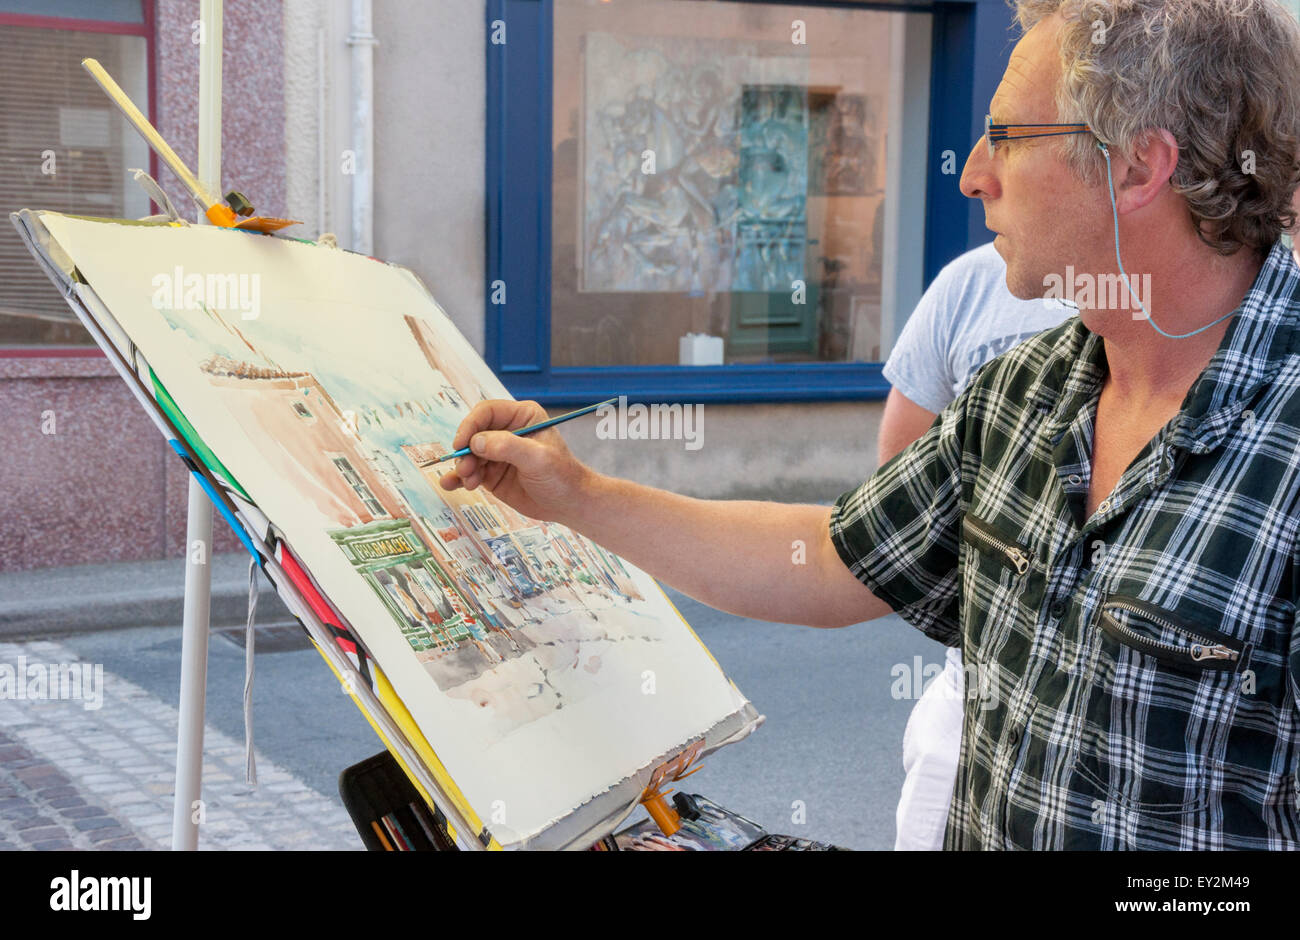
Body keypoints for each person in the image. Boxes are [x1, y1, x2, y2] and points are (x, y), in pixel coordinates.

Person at [442, 0, 1300, 849]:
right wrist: (576, 495)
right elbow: (826, 559)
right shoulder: (1023, 393)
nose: (972, 175)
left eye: (1006, 139)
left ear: (1137, 167)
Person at [880, 243, 1072, 850]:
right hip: (974, 681)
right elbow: (896, 491)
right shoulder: (968, 286)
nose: (976, 178)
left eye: (1009, 144)